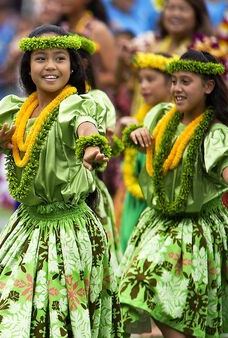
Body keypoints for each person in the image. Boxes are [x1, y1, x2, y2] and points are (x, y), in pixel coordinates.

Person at [0, 24, 123, 337]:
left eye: (60, 58)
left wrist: (91, 148)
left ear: (73, 66)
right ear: (28, 68)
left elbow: (86, 127)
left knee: (62, 317)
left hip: (69, 227)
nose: (50, 66)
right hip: (25, 224)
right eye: (40, 59)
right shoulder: (15, 110)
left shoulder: (79, 105)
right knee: (10, 313)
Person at [119, 50, 228, 337]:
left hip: (197, 229)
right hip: (159, 222)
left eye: (185, 82)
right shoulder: (161, 117)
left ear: (208, 86)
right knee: (140, 284)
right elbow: (136, 138)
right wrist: (135, 134)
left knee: (184, 316)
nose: (176, 89)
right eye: (173, 81)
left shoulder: (216, 133)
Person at [118, 52, 172, 252]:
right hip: (134, 201)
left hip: (157, 204)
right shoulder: (141, 117)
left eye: (150, 79)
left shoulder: (173, 120)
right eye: (140, 80)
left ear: (170, 83)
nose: (143, 86)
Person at [77, 35, 121, 270]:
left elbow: (105, 144)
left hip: (88, 193)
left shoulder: (96, 99)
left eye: (62, 58)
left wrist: (94, 149)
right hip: (49, 201)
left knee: (93, 265)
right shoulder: (41, 101)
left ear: (82, 63)